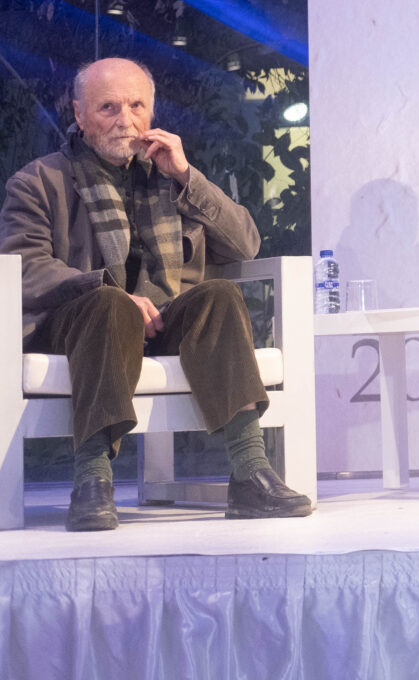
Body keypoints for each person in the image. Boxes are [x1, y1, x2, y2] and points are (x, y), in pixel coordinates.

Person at [0, 58, 313, 530]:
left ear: (152, 110)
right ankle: (93, 482)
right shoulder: (39, 181)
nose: (124, 119)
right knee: (108, 304)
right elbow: (23, 265)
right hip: (79, 326)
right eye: (108, 107)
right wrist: (104, 288)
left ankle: (250, 475)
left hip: (166, 320)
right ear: (80, 114)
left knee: (220, 294)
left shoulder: (174, 175)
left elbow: (246, 243)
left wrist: (188, 176)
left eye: (136, 105)